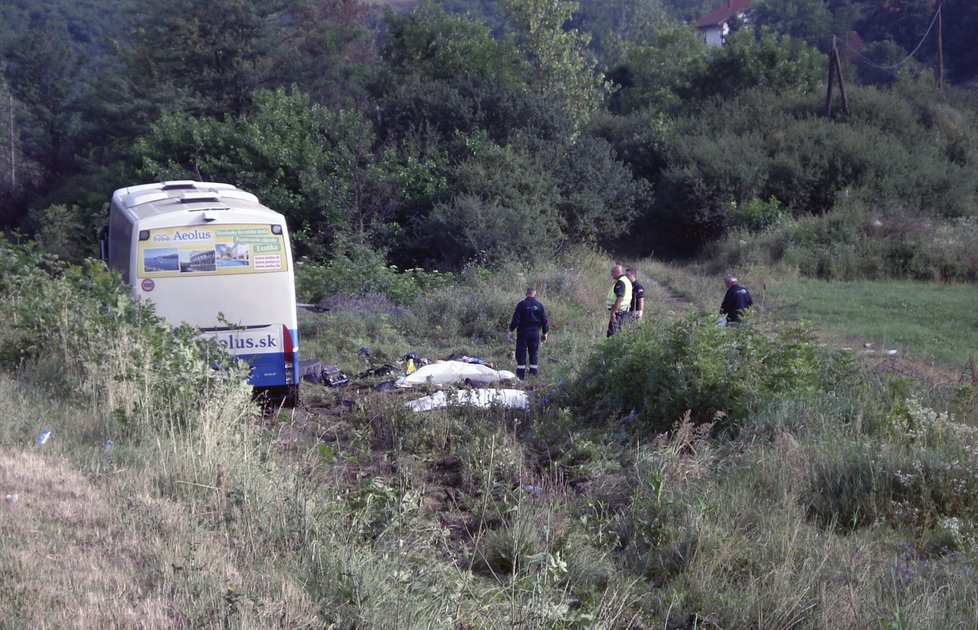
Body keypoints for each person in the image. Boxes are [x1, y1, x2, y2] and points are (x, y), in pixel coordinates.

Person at [507, 287, 549, 379]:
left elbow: (516, 319)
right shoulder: (539, 305)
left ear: (526, 294)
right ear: (535, 294)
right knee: (533, 353)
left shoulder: (521, 305)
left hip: (523, 332)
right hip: (535, 333)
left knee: (521, 353)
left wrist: (510, 330)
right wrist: (545, 333)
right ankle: (533, 376)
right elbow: (544, 321)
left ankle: (520, 377)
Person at [606, 264, 632, 337]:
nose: (611, 274)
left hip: (619, 313)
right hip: (624, 312)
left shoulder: (621, 282)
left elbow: (620, 296)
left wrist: (613, 313)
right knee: (619, 335)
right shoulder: (626, 280)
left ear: (617, 272)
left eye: (612, 272)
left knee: (612, 335)